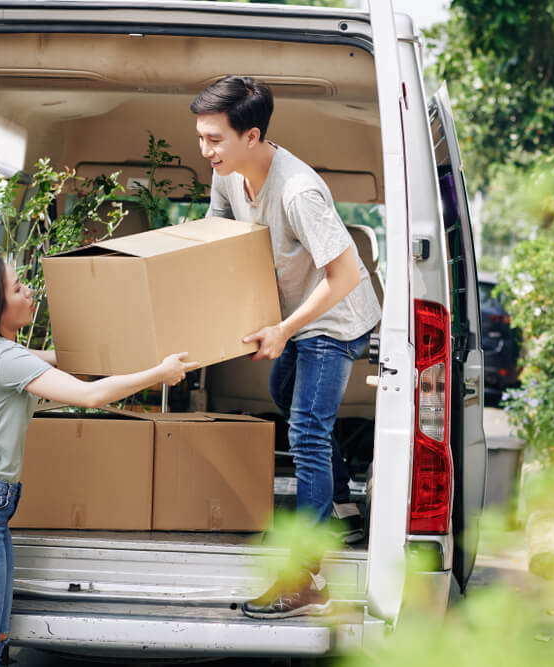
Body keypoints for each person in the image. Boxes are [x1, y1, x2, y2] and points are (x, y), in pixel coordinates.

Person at [0, 255, 198, 666]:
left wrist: (135, 351)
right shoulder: (5, 358)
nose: (28, 291)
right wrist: (158, 373)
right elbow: (89, 396)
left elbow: (63, 359)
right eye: (18, 288)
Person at [190, 76, 382, 619]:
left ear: (252, 136)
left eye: (215, 140)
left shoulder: (299, 192)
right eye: (201, 137)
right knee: (286, 394)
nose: (205, 151)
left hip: (334, 319)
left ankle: (307, 576)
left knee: (306, 430)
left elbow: (344, 275)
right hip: (294, 316)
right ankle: (342, 503)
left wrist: (283, 329)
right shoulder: (228, 176)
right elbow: (219, 223)